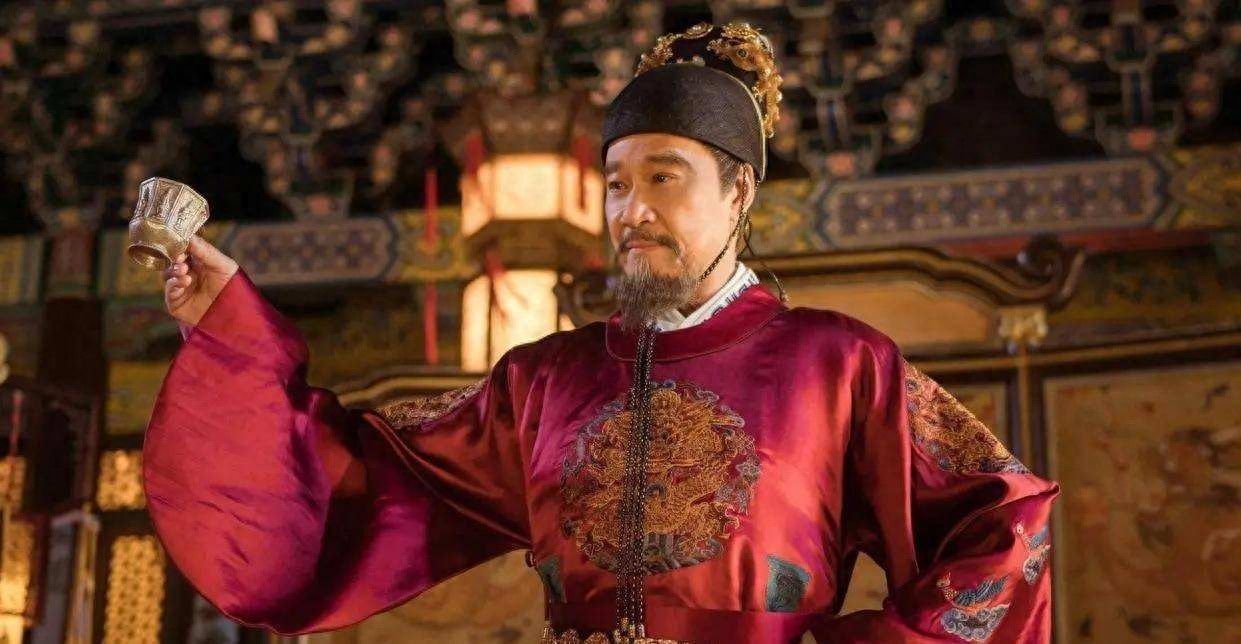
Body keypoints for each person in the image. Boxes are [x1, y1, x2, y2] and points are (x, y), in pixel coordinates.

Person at [143, 22, 1057, 644]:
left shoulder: (840, 363)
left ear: (738, 191)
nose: (631, 210)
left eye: (663, 178)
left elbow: (1004, 521)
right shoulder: (542, 380)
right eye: (616, 184)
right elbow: (358, 477)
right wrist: (230, 330)